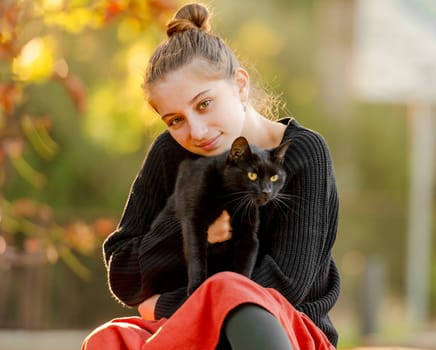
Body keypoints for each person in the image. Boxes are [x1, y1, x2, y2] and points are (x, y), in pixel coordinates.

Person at [82, 3, 340, 350]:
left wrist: (167, 304)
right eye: (175, 120)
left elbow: (284, 286)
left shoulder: (303, 153)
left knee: (229, 290)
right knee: (109, 340)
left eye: (204, 104)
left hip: (283, 329)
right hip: (188, 332)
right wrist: (187, 228)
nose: (196, 131)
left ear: (240, 85)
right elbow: (125, 276)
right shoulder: (171, 153)